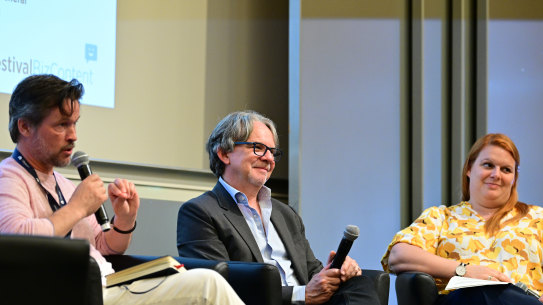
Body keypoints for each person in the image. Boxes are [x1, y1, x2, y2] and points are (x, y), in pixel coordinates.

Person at [0, 74, 244, 305]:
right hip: (74, 292)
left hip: (105, 284)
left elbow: (105, 246)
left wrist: (124, 220)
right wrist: (77, 208)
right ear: (25, 127)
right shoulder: (9, 176)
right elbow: (15, 242)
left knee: (204, 281)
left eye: (74, 124)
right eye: (62, 125)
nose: (73, 136)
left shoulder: (61, 182)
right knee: (207, 285)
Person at [177, 110, 381, 305]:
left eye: (273, 152)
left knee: (359, 283)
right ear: (224, 153)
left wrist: (335, 272)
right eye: (258, 147)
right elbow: (219, 288)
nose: (269, 159)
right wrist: (302, 295)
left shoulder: (286, 214)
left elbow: (311, 273)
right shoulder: (199, 212)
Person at [381, 133, 543, 305]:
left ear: (514, 179)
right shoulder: (441, 217)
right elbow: (399, 255)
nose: (496, 174)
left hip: (524, 298)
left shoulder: (537, 218)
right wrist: (464, 271)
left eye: (506, 169)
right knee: (481, 292)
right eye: (488, 165)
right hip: (462, 298)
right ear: (469, 169)